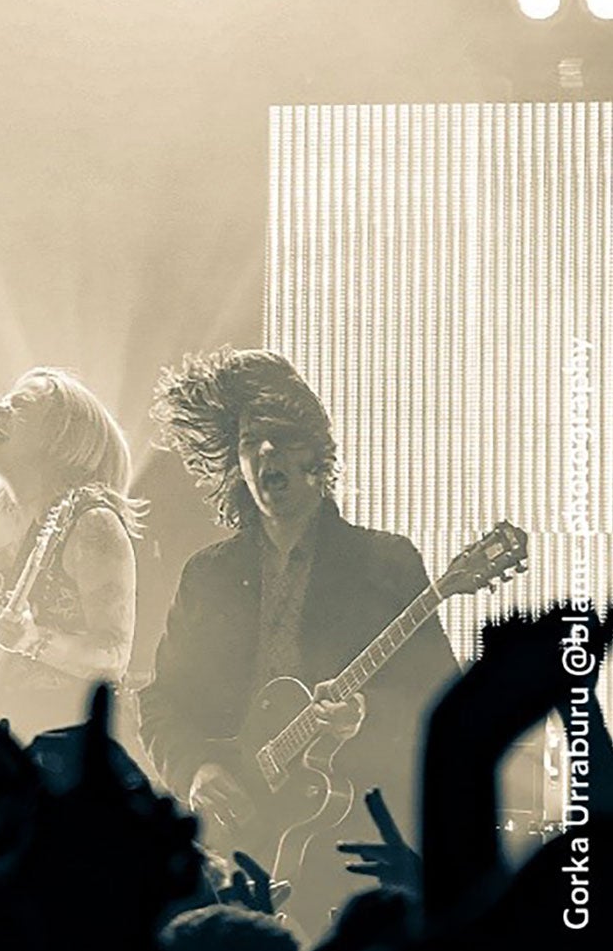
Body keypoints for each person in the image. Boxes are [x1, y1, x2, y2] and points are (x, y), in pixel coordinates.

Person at [137, 348, 460, 932]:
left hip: (351, 843)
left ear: (317, 454)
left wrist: (364, 718)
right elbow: (162, 701)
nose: (266, 453)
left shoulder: (383, 562)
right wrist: (196, 769)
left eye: (282, 438)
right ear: (235, 464)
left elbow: (446, 704)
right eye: (250, 442)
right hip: (231, 840)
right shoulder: (207, 574)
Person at [0, 367, 142, 736]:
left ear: (60, 436)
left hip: (74, 727)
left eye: (21, 406)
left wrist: (34, 641)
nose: (0, 408)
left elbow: (114, 657)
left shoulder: (93, 525)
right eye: (6, 401)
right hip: (6, 720)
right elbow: (0, 623)